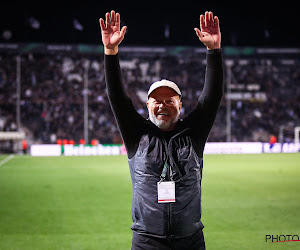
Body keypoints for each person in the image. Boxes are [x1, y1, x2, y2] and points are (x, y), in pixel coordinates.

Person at [99, 10, 223, 250]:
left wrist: (214, 51)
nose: (162, 105)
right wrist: (111, 52)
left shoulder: (193, 134)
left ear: (180, 105)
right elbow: (116, 96)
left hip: (191, 242)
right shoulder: (137, 134)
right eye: (156, 100)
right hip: (147, 242)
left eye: (170, 100)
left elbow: (212, 96)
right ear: (147, 105)